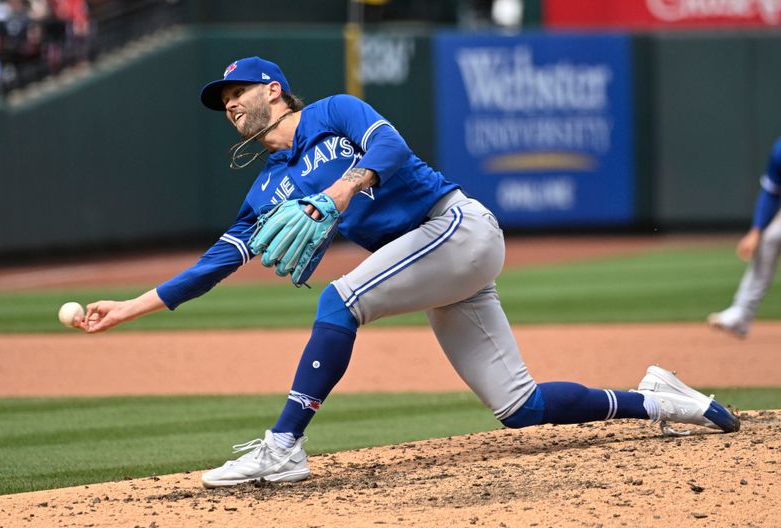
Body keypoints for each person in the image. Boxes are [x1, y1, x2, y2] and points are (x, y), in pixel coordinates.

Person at [77, 56, 740, 487]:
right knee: (520, 406)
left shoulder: (333, 113)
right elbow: (212, 266)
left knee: (340, 299)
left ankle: (284, 444)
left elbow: (391, 145)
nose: (228, 103)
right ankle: (661, 396)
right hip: (440, 264)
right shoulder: (268, 188)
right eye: (220, 99)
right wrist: (126, 308)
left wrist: (341, 190)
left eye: (236, 90)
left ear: (271, 90)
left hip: (455, 225)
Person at [708, 138, 781, 338]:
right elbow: (772, 193)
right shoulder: (779, 151)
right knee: (769, 239)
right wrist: (755, 231)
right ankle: (741, 313)